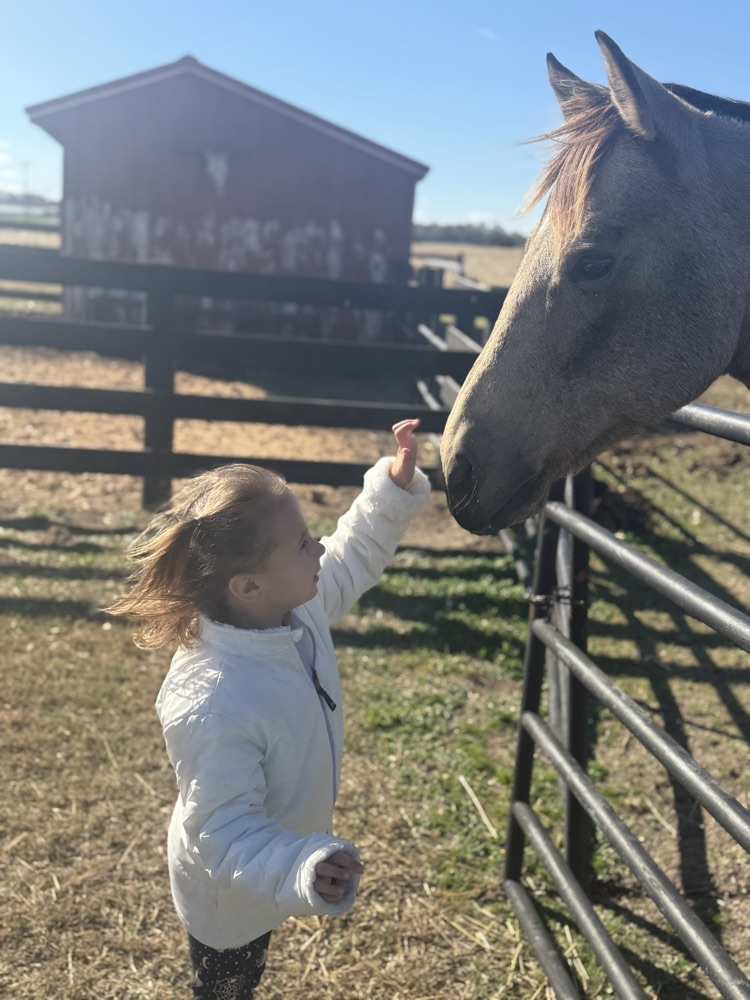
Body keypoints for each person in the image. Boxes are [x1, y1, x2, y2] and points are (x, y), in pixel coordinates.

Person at [106, 419, 430, 999]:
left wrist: (390, 490)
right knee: (231, 985)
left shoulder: (290, 610)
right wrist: (301, 864)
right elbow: (225, 833)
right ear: (248, 586)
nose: (319, 548)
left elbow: (350, 556)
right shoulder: (214, 701)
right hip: (226, 892)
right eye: (304, 543)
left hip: (273, 856)